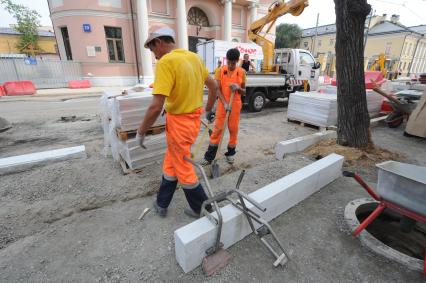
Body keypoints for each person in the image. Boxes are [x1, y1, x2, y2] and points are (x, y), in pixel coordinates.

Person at [136, 27, 218, 218]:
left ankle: (203, 208)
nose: (154, 55)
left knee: (183, 167)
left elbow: (156, 106)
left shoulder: (166, 62)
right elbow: (213, 86)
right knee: (172, 161)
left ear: (159, 42)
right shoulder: (194, 58)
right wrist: (208, 110)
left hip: (178, 124)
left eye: (152, 49)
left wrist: (141, 132)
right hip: (192, 122)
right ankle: (162, 203)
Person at [202, 48, 246, 165]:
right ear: (226, 60)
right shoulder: (220, 71)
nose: (231, 65)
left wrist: (238, 88)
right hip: (223, 104)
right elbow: (217, 90)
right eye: (229, 63)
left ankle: (230, 154)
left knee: (233, 130)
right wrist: (225, 103)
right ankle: (209, 156)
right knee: (217, 130)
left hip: (235, 105)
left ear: (237, 61)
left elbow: (244, 91)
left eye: (233, 63)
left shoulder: (241, 72)